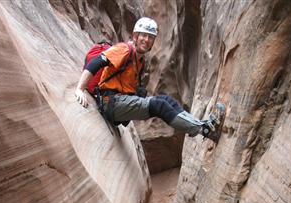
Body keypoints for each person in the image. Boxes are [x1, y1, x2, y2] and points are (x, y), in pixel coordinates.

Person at [75, 17, 224, 142]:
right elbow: (97, 62)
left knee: (167, 101)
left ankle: (200, 126)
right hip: (111, 103)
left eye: (151, 37)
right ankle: (203, 129)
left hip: (119, 102)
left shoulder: (139, 61)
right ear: (135, 36)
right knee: (159, 105)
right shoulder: (124, 49)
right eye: (143, 35)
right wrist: (80, 89)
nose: (146, 40)